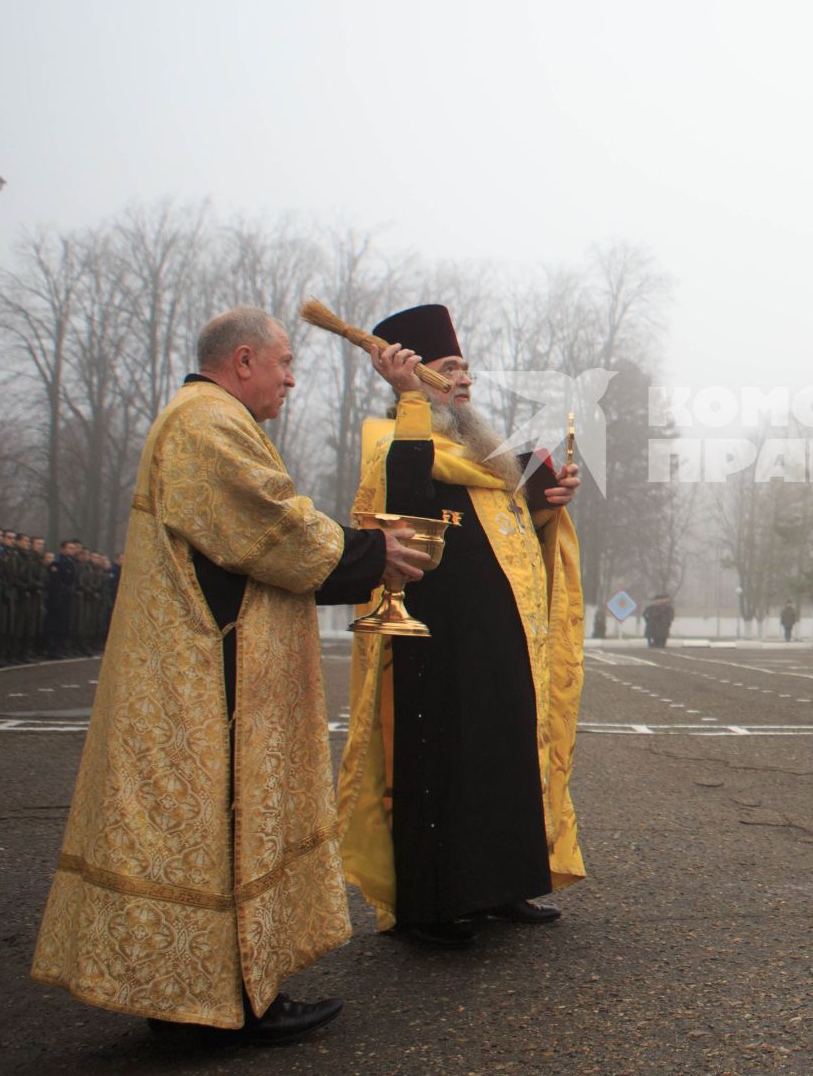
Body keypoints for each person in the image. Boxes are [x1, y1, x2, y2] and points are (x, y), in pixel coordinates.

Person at [32, 306, 430, 1044]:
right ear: (242, 360)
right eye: (283, 365)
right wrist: (371, 551)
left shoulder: (206, 418)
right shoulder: (206, 423)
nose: (289, 381)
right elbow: (269, 524)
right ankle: (212, 1010)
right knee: (214, 828)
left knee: (213, 833)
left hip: (207, 669)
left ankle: (219, 997)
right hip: (203, 683)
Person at [337, 304, 588, 950]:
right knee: (442, 770)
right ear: (412, 374)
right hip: (436, 649)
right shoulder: (397, 443)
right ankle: (432, 906)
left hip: (497, 646)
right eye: (449, 369)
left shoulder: (482, 455)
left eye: (466, 369)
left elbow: (503, 541)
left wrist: (545, 507)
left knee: (502, 761)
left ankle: (504, 884)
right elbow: (408, 507)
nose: (465, 380)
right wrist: (408, 402)